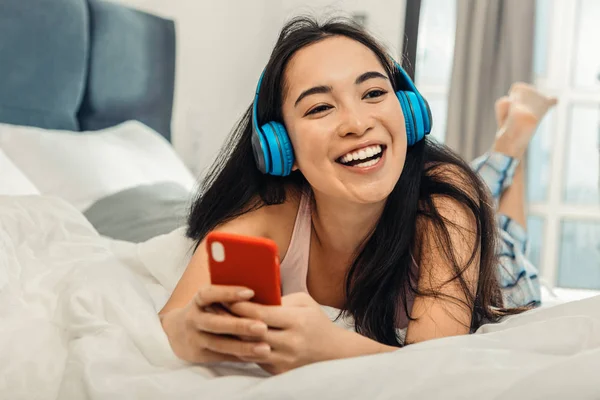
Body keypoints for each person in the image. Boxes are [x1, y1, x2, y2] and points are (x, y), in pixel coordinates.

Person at [158, 16, 555, 375]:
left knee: (503, 231)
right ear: (280, 147)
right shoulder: (272, 216)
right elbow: (173, 319)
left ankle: (513, 139)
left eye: (372, 94)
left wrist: (330, 348)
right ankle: (514, 137)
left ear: (408, 111)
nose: (357, 123)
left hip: (503, 276)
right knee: (496, 212)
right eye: (319, 108)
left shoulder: (444, 205)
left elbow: (436, 366)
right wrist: (187, 331)